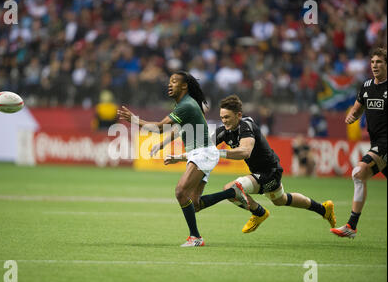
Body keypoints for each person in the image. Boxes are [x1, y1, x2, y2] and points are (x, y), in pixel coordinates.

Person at [159, 94, 336, 233]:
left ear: (239, 115)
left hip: (270, 172)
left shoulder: (247, 125)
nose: (224, 121)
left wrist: (218, 152)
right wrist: (178, 157)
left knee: (233, 188)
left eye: (228, 117)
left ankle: (258, 213)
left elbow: (245, 152)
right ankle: (323, 209)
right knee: (281, 200)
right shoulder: (224, 131)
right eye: (222, 117)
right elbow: (202, 151)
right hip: (259, 173)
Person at [118, 71, 247, 247]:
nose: (169, 85)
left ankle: (195, 237)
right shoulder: (187, 105)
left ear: (184, 86)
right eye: (169, 82)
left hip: (203, 153)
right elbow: (181, 129)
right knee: (195, 204)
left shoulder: (186, 105)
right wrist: (162, 144)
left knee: (180, 192)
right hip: (202, 153)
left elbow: (160, 127)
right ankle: (232, 192)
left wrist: (134, 120)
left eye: (174, 81)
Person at [331, 47, 387, 239]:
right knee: (359, 175)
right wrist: (352, 115)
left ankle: (351, 226)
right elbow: (357, 108)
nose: (375, 66)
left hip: (385, 143)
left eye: (379, 62)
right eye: (372, 62)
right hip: (376, 142)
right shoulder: (367, 86)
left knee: (358, 172)